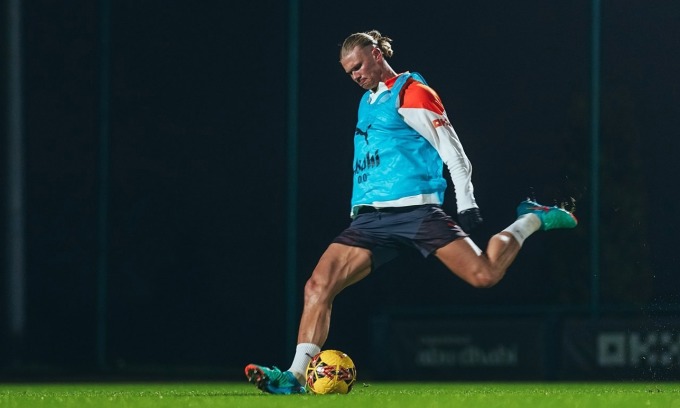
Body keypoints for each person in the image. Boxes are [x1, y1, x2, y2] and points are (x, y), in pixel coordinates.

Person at [245, 29, 577, 394]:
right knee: (318, 285)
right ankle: (293, 377)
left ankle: (531, 217)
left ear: (375, 53)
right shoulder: (368, 101)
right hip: (371, 219)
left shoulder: (412, 92)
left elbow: (453, 150)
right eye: (348, 73)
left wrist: (466, 201)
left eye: (357, 67)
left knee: (484, 275)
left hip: (417, 214)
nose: (355, 76)